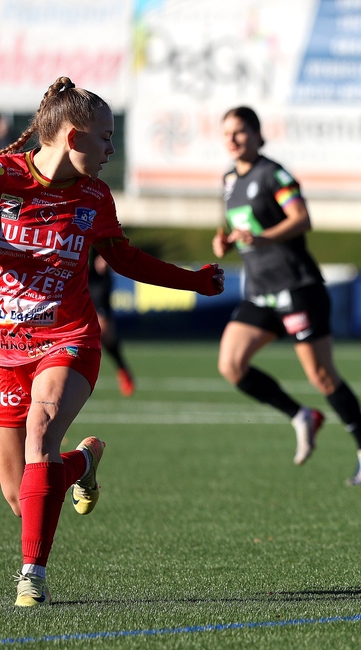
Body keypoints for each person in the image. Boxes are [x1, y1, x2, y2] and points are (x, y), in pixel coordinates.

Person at [0, 77, 225, 606]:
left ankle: (32, 575)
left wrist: (193, 279)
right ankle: (83, 462)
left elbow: (123, 259)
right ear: (74, 138)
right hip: (6, 348)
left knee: (40, 433)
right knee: (19, 494)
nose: (111, 150)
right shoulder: (6, 178)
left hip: (67, 337)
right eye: (105, 138)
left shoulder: (95, 196)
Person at [212, 106, 361, 485]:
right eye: (227, 133)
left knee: (322, 376)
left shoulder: (273, 173)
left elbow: (302, 219)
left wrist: (263, 237)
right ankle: (300, 415)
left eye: (241, 131)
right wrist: (223, 240)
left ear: (258, 136)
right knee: (231, 365)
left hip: (296, 287)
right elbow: (236, 223)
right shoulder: (228, 179)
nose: (233, 139)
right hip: (260, 292)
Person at [89, 250, 135, 396]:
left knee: (107, 338)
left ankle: (123, 371)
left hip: (102, 310)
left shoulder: (105, 278)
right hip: (87, 313)